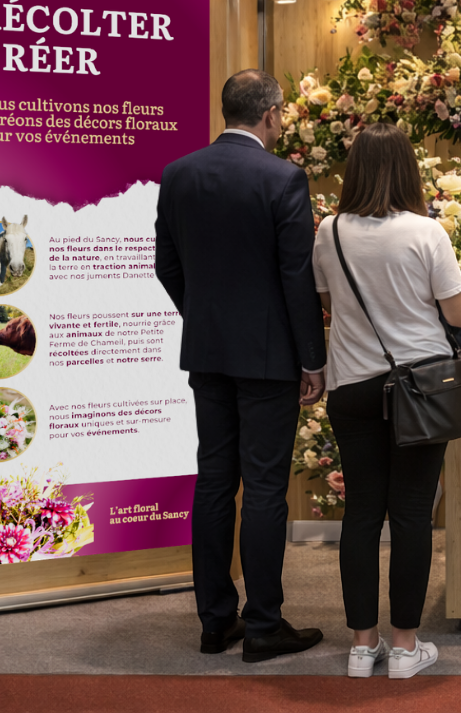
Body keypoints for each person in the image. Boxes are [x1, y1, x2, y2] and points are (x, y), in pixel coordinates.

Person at [154, 70, 327, 664]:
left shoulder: (179, 174)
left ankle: (214, 623)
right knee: (265, 490)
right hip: (269, 359)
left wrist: (201, 316)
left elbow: (166, 265)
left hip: (207, 352)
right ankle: (263, 625)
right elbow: (295, 278)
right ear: (272, 113)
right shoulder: (283, 178)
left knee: (212, 482)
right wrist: (313, 358)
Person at [311, 123, 461, 681]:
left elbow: (330, 303)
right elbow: (457, 314)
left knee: (361, 513)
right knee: (410, 515)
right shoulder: (427, 232)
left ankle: (363, 647)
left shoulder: (329, 231)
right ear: (408, 168)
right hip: (419, 389)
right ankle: (405, 649)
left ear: (353, 168)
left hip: (352, 386)